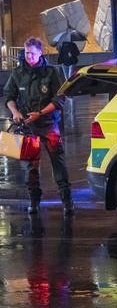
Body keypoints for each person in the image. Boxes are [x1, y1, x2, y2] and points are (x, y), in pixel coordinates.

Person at [3, 37, 73, 215]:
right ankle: (34, 201)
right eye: (26, 53)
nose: (29, 57)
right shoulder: (18, 73)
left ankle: (67, 201)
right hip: (29, 128)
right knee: (31, 167)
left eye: (32, 53)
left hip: (49, 125)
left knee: (58, 162)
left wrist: (40, 113)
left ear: (40, 53)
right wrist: (15, 112)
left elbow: (60, 99)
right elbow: (8, 96)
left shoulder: (51, 73)